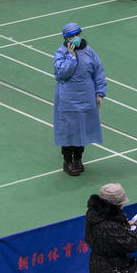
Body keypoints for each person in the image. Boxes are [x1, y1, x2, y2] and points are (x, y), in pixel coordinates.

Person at [54, 23, 107, 176]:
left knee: (82, 129)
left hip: (86, 97)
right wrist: (71, 58)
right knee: (69, 130)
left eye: (77, 34)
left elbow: (98, 72)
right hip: (68, 99)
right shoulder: (60, 53)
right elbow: (62, 74)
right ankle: (68, 161)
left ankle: (78, 159)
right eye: (71, 36)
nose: (75, 38)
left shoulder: (89, 52)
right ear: (65, 38)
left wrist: (100, 93)